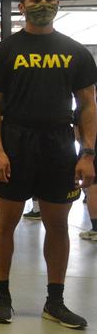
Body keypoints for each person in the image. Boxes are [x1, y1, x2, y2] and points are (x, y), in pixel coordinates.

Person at [0, 0, 96, 328]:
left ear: (58, 3)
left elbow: (88, 104)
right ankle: (2, 296)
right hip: (15, 141)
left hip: (60, 142)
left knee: (57, 224)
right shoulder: (5, 51)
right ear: (22, 6)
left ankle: (55, 301)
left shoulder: (76, 51)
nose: (43, 4)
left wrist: (88, 152)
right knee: (6, 221)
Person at [74, 102, 97, 240]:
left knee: (92, 188)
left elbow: (78, 137)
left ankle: (95, 229)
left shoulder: (84, 108)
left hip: (91, 152)